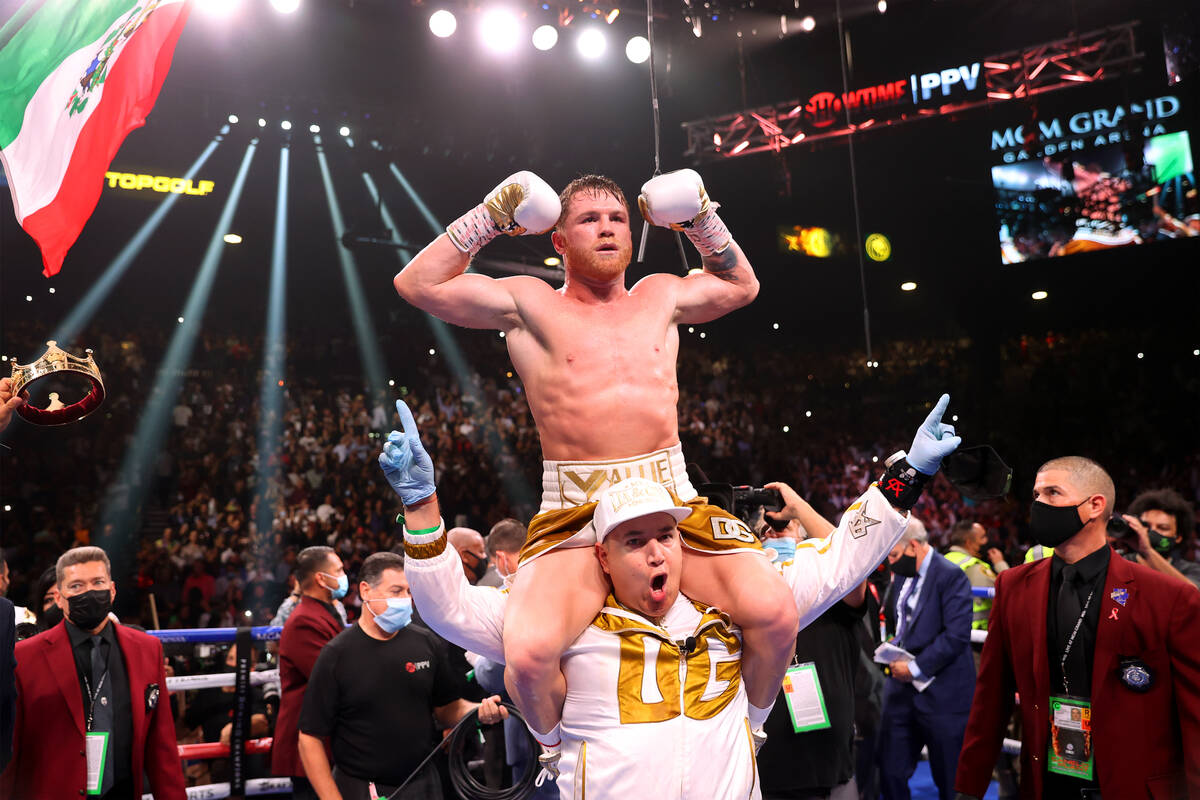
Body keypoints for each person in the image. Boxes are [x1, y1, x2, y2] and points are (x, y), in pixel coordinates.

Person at [392, 169, 800, 750]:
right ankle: (555, 756)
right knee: (529, 659)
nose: (607, 230)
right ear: (558, 240)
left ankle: (751, 729)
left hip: (670, 498)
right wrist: (489, 217)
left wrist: (701, 220)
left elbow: (740, 287)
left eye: (617, 220)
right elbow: (418, 284)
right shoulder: (528, 302)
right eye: (588, 220)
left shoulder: (661, 295)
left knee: (775, 616)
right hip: (576, 511)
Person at [378, 394, 956, 793]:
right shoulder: (559, 620)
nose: (658, 552)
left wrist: (909, 475)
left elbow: (841, 562)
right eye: (635, 540)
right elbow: (447, 608)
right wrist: (421, 507)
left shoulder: (730, 607)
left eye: (667, 535)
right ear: (602, 554)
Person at [956, 457, 1200, 800]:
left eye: (1053, 493)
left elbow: (1194, 714)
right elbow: (991, 699)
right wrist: (969, 786)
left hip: (1131, 787)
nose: (1039, 503)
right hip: (1047, 784)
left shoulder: (1169, 597)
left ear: (1095, 506)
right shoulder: (1013, 586)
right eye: (1037, 493)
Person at [298, 552, 507, 800]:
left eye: (408, 592)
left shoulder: (425, 642)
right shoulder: (337, 655)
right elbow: (309, 737)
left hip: (422, 780)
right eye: (396, 591)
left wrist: (479, 711)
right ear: (365, 591)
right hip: (361, 787)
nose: (405, 600)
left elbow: (448, 709)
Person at [0, 546, 186, 799]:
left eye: (97, 582)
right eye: (76, 586)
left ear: (112, 590)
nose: (88, 592)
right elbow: (10, 752)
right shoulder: (26, 657)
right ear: (59, 598)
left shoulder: (146, 648)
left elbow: (162, 747)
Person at [878, 517, 976, 800]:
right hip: (901, 692)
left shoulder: (950, 575)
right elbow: (901, 624)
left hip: (943, 692)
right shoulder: (902, 576)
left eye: (895, 555)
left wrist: (915, 667)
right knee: (890, 770)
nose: (891, 563)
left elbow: (956, 635)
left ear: (913, 546)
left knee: (950, 780)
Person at [272, 546, 349, 800]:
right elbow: (332, 678)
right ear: (320, 578)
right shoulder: (304, 620)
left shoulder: (325, 611)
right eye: (338, 570)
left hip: (327, 737)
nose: (343, 574)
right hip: (310, 740)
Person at [1123, 487, 1200, 589]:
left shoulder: (1190, 569)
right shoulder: (1123, 562)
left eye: (1162, 528)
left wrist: (1148, 552)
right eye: (1146, 525)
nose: (1152, 532)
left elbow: (1193, 594)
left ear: (1178, 537)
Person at [945, 520, 1004, 632]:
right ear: (968, 543)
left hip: (950, 629)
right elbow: (1005, 595)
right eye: (983, 537)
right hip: (976, 634)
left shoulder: (943, 560)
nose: (987, 540)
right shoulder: (976, 567)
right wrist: (1000, 565)